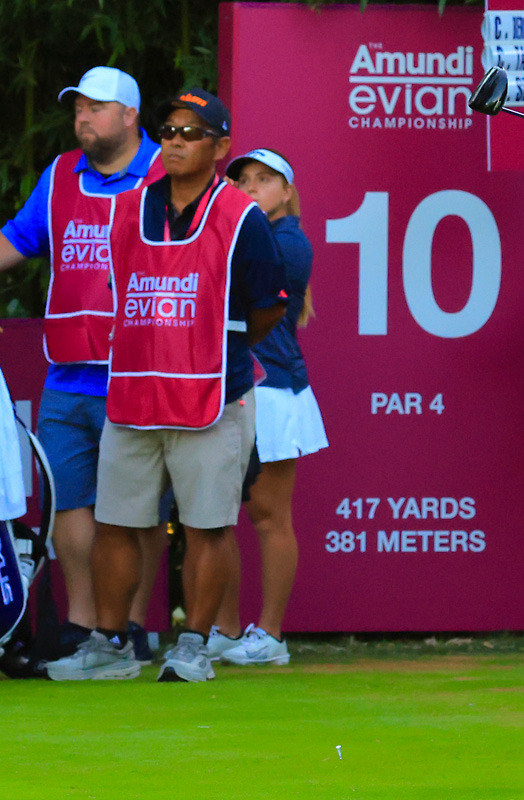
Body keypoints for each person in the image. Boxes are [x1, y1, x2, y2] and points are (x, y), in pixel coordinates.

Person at [45, 88, 286, 683]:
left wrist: (213, 350)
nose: (175, 140)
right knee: (118, 521)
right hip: (132, 392)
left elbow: (268, 309)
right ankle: (111, 642)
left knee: (209, 524)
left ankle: (194, 644)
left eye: (191, 132)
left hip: (210, 393)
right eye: (169, 129)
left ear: (220, 146)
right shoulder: (130, 207)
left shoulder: (242, 217)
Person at [0, 66, 169, 662]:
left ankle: (130, 626)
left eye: (96, 108)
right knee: (67, 503)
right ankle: (79, 626)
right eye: (77, 108)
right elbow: (17, 242)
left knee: (140, 509)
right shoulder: (58, 173)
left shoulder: (165, 173)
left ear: (129, 116)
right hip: (67, 371)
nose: (82, 118)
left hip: (142, 373)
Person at [204, 148, 328, 666]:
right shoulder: (239, 235)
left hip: (274, 391)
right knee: (217, 515)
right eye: (242, 179)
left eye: (263, 179)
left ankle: (271, 636)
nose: (250, 186)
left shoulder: (288, 242)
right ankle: (228, 630)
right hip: (232, 386)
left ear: (286, 192)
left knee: (269, 516)